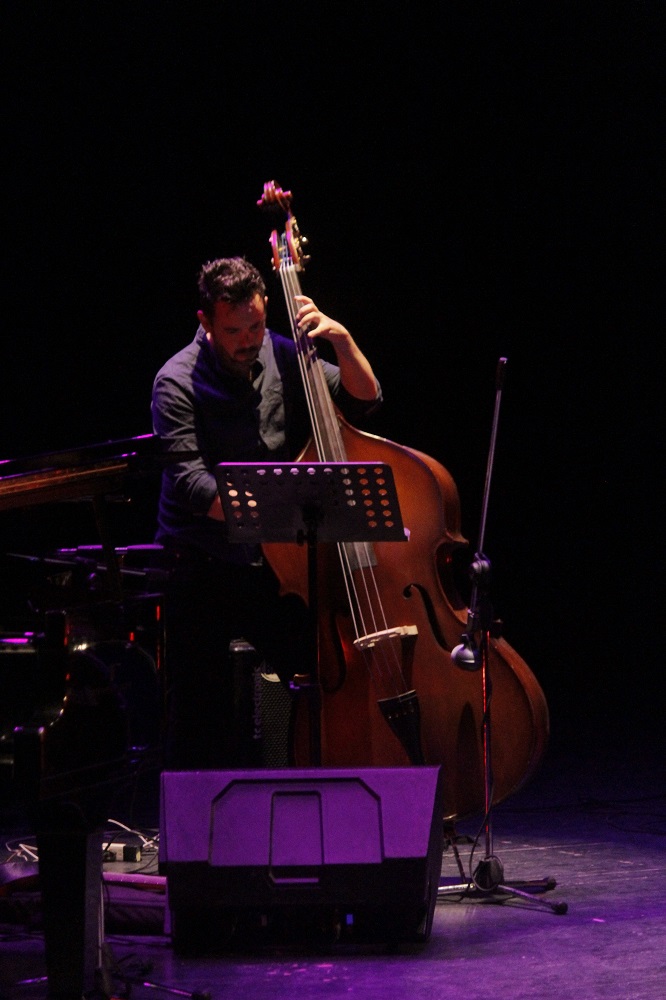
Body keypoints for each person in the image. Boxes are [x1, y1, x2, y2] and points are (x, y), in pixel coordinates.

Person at [151, 256, 382, 769]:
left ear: (266, 310)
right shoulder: (175, 381)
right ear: (205, 322)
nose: (248, 340)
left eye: (255, 325)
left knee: (318, 667)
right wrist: (286, 511)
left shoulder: (282, 353)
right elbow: (194, 487)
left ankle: (314, 781)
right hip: (202, 564)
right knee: (199, 712)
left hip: (273, 565)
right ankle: (200, 815)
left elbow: (365, 399)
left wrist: (342, 340)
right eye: (233, 330)